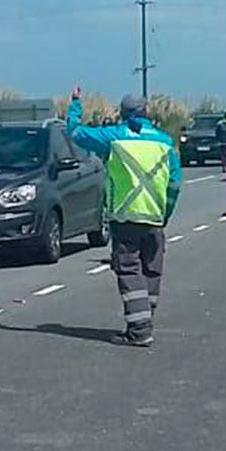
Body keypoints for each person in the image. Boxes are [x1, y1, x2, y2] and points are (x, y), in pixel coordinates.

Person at [67, 88, 183, 347]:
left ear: (122, 114)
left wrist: (75, 104)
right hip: (154, 219)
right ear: (146, 113)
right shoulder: (165, 142)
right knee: (151, 270)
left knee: (129, 269)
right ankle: (145, 319)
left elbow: (76, 132)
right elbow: (175, 184)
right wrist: (166, 214)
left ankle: (140, 329)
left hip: (125, 218)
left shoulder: (114, 137)